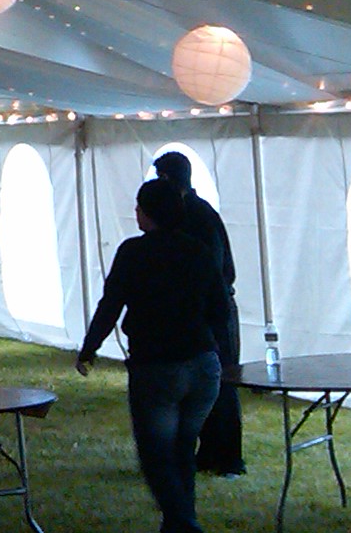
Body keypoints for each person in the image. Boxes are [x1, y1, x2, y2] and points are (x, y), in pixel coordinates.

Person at [76, 179, 228, 533]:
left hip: (157, 366)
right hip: (203, 364)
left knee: (156, 455)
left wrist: (90, 348)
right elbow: (221, 310)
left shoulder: (133, 253)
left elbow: (111, 304)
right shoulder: (200, 251)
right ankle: (177, 525)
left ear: (147, 213)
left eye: (138, 207)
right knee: (183, 451)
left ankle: (185, 524)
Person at [153, 151, 244, 476]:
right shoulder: (199, 213)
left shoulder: (195, 216)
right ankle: (210, 455)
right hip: (210, 309)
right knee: (210, 384)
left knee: (221, 383)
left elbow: (215, 271)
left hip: (212, 311)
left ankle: (228, 457)